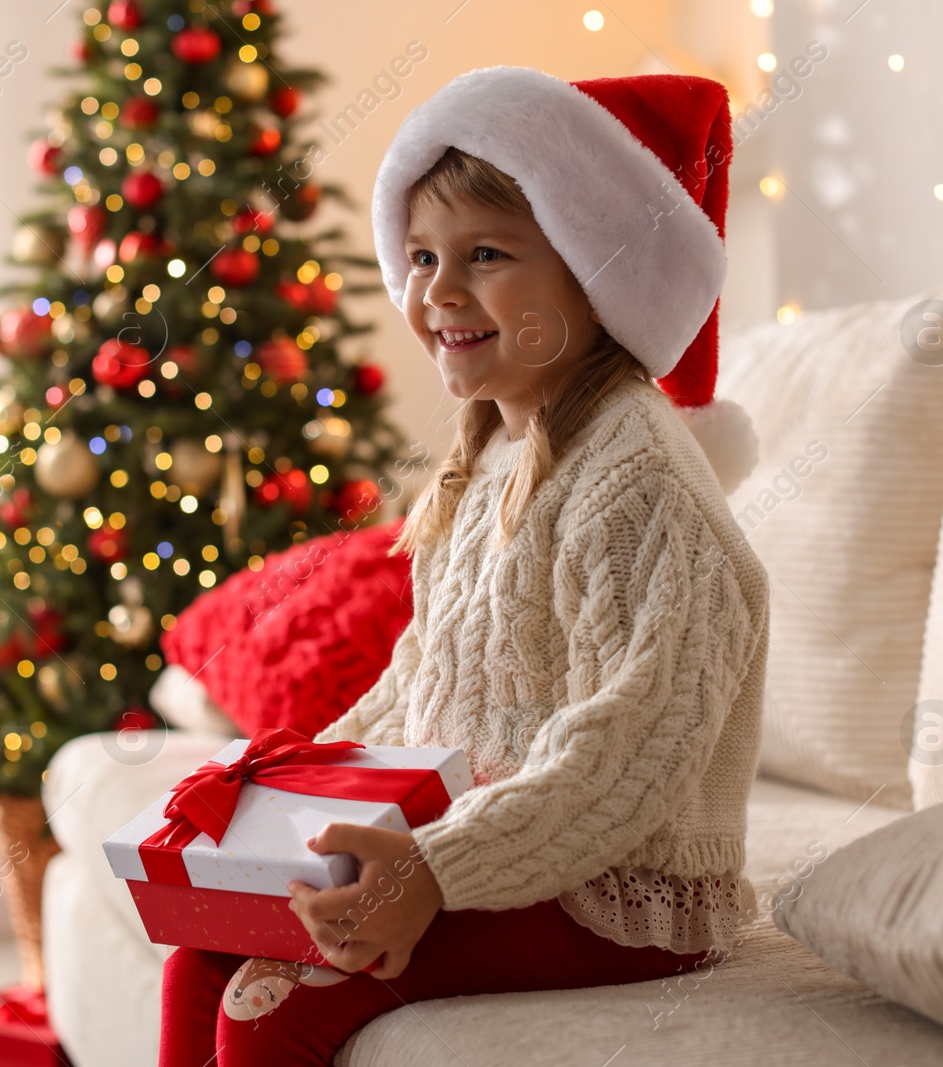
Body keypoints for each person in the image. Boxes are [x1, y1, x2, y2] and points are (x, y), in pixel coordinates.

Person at [159, 64, 770, 1067]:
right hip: (484, 839)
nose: (434, 292)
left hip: (608, 890)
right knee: (203, 948)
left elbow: (623, 754)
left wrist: (436, 866)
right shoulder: (489, 446)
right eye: (419, 257)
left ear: (592, 267)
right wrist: (287, 787)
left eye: (483, 255)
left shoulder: (639, 483)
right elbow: (421, 677)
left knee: (271, 1000)